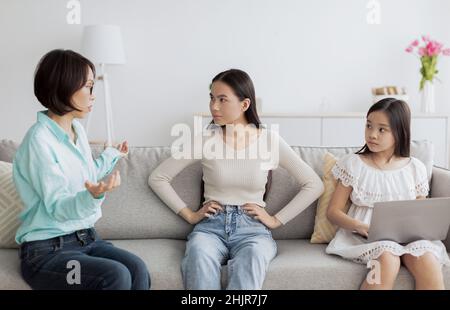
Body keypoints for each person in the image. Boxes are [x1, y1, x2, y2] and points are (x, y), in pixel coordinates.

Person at [149, 69, 324, 289]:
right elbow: (158, 177)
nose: (214, 106)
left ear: (244, 104)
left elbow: (314, 184)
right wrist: (190, 215)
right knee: (199, 256)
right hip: (210, 228)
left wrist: (276, 220)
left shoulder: (269, 140)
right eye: (212, 98)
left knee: (252, 258)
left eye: (222, 99)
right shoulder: (205, 139)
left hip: (253, 230)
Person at [13, 49, 150, 290]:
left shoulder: (77, 130)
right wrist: (94, 196)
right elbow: (58, 207)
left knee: (137, 268)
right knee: (115, 275)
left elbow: (86, 178)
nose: (92, 95)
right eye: (88, 86)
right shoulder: (39, 141)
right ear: (64, 86)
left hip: (85, 239)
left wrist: (112, 155)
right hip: (46, 252)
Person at [326, 98, 449, 290]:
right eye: (369, 126)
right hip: (364, 236)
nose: (372, 134)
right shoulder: (354, 164)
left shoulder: (415, 167)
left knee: (428, 261)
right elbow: (333, 211)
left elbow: (420, 211)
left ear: (399, 133)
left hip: (408, 236)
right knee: (387, 260)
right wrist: (359, 226)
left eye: (382, 129)